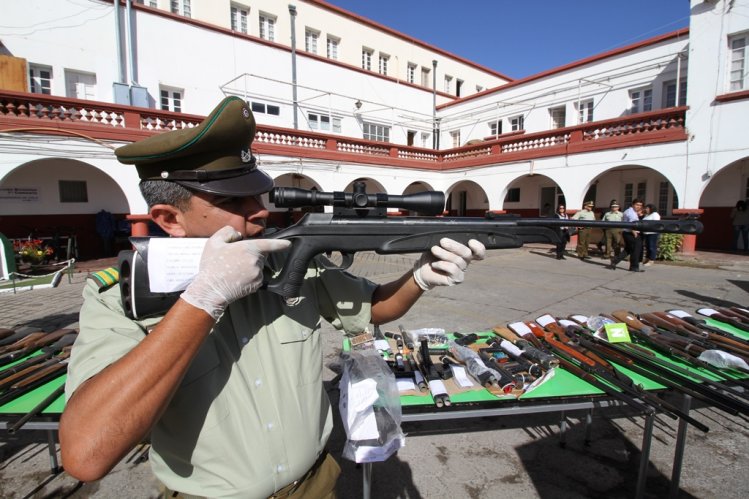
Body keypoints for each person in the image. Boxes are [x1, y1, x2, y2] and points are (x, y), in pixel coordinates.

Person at [59, 97, 486, 499]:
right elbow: (86, 454)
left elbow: (373, 307)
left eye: (258, 194)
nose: (260, 210)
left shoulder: (287, 261)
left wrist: (421, 277)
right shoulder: (121, 296)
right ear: (169, 219)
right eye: (233, 200)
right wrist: (203, 299)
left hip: (315, 485)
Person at [609, 198, 644, 272]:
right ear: (633, 204)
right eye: (637, 205)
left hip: (627, 232)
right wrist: (634, 233)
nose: (639, 207)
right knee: (635, 250)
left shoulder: (630, 211)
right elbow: (632, 224)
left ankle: (615, 261)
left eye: (640, 205)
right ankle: (634, 267)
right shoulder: (631, 212)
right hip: (631, 233)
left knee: (628, 250)